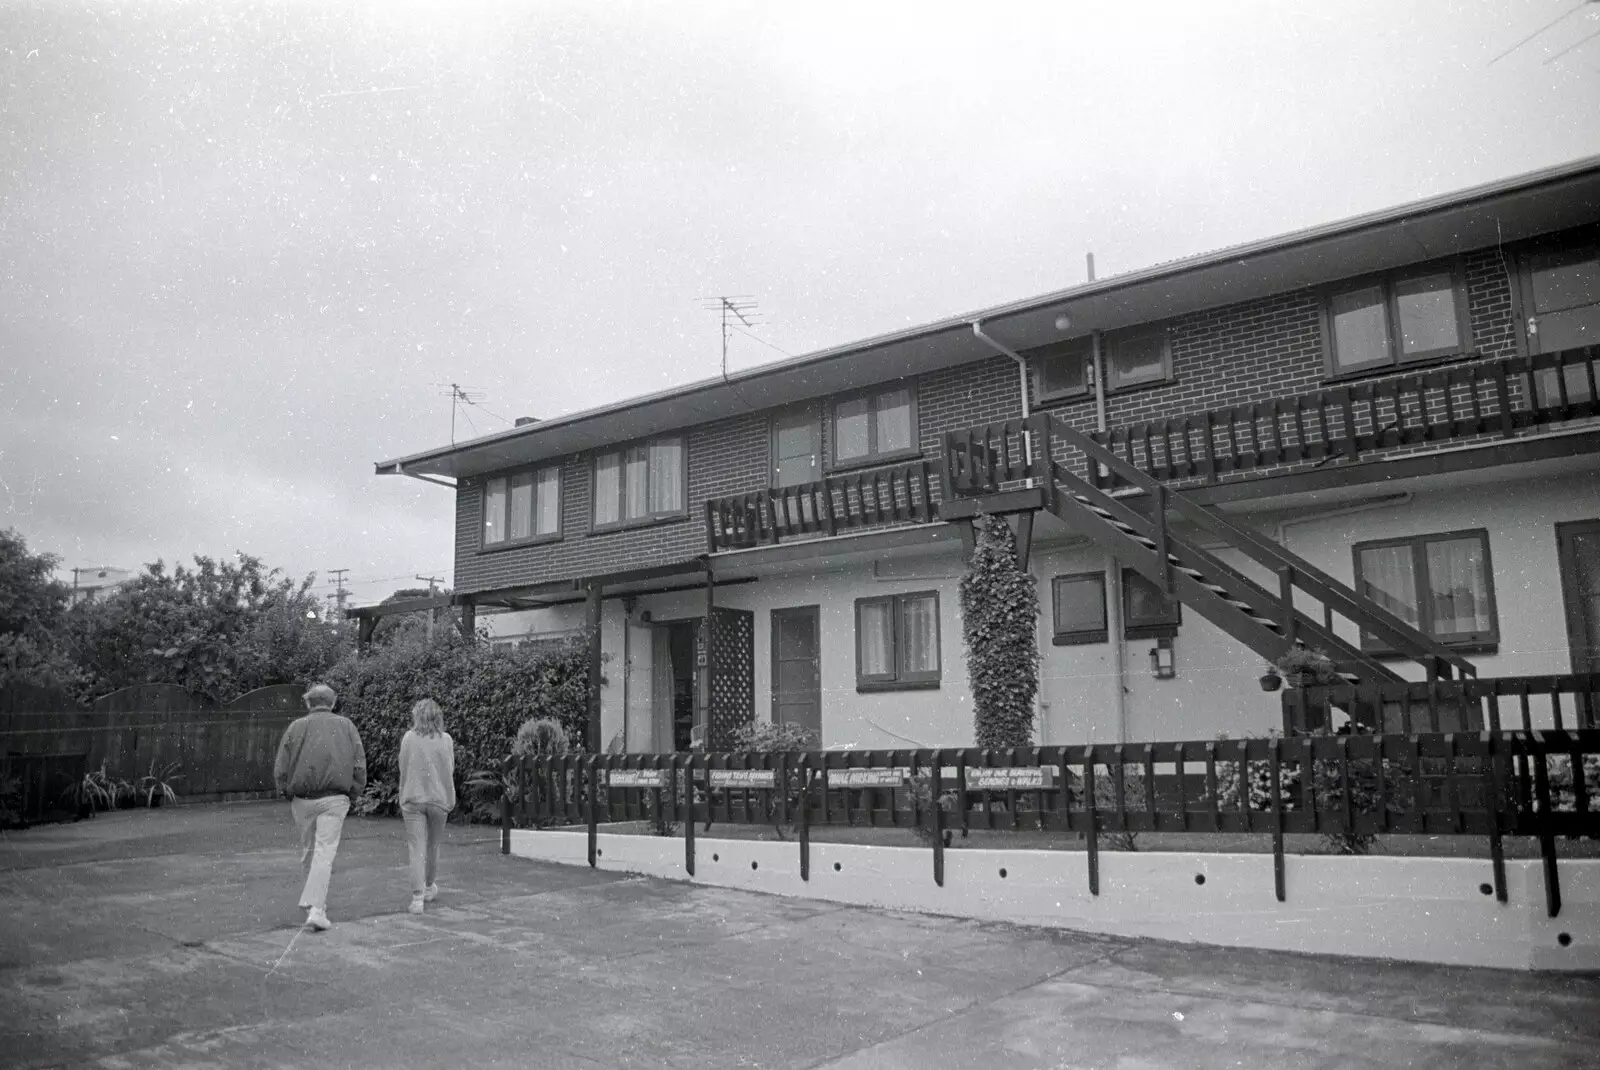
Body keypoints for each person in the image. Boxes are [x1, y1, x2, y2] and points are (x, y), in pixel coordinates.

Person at [273, 683, 367, 931]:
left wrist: (285, 791)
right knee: (324, 852)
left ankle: (317, 908)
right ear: (333, 702)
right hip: (336, 797)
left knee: (309, 851)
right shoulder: (346, 726)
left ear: (308, 703)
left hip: (303, 799)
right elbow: (359, 762)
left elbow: (281, 765)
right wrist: (354, 792)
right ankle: (317, 908)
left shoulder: (296, 727)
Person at [398, 698, 456, 914]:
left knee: (416, 848)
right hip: (439, 799)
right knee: (433, 846)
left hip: (413, 798)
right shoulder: (446, 739)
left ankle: (417, 899)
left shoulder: (408, 738)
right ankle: (430, 887)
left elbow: (402, 766)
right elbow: (450, 768)